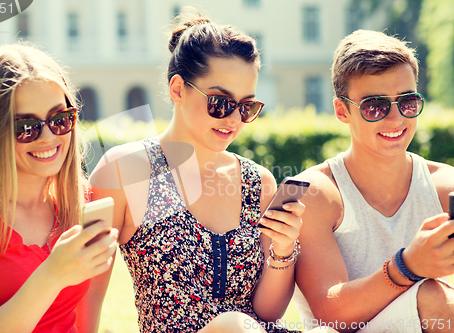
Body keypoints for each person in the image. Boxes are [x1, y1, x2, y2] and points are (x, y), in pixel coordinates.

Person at [88, 8, 336, 333]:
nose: (234, 119)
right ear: (178, 89)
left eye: (246, 106)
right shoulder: (129, 169)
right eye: (220, 102)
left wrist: (284, 248)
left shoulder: (257, 183)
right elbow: (87, 297)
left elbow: (268, 311)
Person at [293, 29, 454, 333]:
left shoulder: (445, 185)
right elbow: (331, 313)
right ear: (342, 111)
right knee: (431, 296)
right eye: (375, 107)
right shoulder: (315, 194)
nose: (395, 119)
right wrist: (408, 266)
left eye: (407, 101)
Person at [0, 43, 119, 332]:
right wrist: (53, 274)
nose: (48, 137)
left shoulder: (77, 200)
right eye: (26, 127)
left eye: (60, 119)